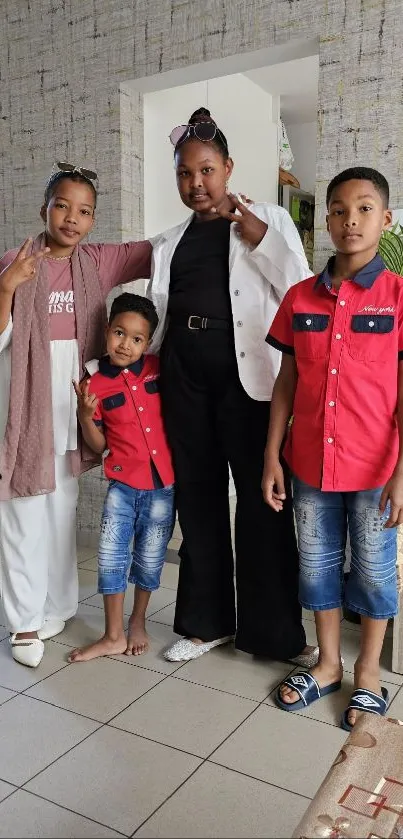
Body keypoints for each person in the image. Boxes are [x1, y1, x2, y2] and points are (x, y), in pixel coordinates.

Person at [146, 107, 317, 665]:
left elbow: (301, 289)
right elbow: (158, 315)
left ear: (228, 167)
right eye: (185, 174)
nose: (196, 183)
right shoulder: (171, 241)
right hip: (184, 377)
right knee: (197, 499)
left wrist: (261, 236)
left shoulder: (267, 217)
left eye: (206, 170)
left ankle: (272, 634)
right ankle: (204, 623)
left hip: (250, 382)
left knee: (263, 502)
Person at [263, 166, 402, 730]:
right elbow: (286, 383)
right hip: (309, 465)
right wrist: (272, 455)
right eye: (340, 210)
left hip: (376, 469)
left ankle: (369, 672)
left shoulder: (398, 298)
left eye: (365, 208)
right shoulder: (300, 298)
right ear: (326, 220)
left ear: (385, 219)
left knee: (373, 571)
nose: (351, 220)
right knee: (317, 565)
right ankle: (327, 665)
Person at [0, 164, 151, 667]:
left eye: (83, 211)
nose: (71, 218)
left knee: (61, 509)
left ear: (93, 220)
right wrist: (7, 287)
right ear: (44, 207)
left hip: (75, 397)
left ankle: (58, 605)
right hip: (28, 400)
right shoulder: (17, 261)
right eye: (62, 205)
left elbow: (158, 248)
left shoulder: (97, 262)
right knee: (23, 509)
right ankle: (23, 623)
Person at [68, 293, 175, 662]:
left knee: (149, 557)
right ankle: (112, 634)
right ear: (107, 330)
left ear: (148, 342)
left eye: (136, 338)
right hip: (122, 487)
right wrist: (85, 415)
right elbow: (98, 444)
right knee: (112, 557)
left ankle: (138, 620)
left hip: (163, 485)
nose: (125, 344)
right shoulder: (93, 384)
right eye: (119, 333)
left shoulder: (159, 369)